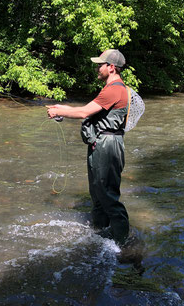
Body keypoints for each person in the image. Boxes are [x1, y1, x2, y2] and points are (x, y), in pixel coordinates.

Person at [46, 49, 130, 245]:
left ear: (111, 67)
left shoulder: (114, 89)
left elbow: (84, 112)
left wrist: (61, 112)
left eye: (99, 65)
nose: (96, 68)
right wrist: (62, 108)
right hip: (100, 144)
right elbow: (88, 110)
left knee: (107, 194)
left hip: (107, 146)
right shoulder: (110, 89)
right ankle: (100, 235)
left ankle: (124, 246)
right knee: (97, 194)